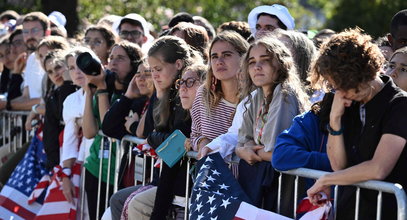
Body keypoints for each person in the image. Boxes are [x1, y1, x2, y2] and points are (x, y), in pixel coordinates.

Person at [307, 29, 407, 220]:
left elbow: (378, 168)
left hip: (388, 211)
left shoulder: (400, 105)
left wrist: (326, 180)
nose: (337, 91)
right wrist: (335, 120)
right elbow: (339, 166)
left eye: (339, 83)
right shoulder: (347, 101)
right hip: (350, 210)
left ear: (358, 75)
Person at [125, 52, 204, 220]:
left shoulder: (208, 121)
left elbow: (152, 137)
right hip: (178, 197)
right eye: (180, 82)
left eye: (190, 82)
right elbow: (150, 136)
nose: (182, 88)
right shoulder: (183, 122)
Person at [236, 36, 309, 211]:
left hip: (285, 186)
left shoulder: (284, 94)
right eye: (252, 62)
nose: (257, 67)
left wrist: (246, 151)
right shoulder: (258, 95)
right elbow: (243, 139)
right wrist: (241, 149)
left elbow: (274, 151)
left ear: (281, 64)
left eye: (265, 61)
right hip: (267, 180)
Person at [82, 41, 143, 219]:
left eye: (120, 58)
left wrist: (101, 89)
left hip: (119, 174)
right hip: (96, 168)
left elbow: (108, 125)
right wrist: (90, 91)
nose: (113, 63)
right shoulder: (105, 87)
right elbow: (89, 132)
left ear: (134, 63)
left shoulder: (136, 95)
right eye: (111, 58)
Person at [190, 31, 249, 159]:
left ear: (243, 58)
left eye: (226, 55)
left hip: (246, 177)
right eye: (214, 56)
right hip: (213, 176)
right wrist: (202, 142)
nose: (219, 61)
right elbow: (194, 135)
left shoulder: (255, 98)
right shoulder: (203, 94)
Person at [9, 12, 51, 111]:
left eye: (35, 30)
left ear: (47, 32)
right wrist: (8, 104)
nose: (30, 36)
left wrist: (8, 105)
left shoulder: (57, 57)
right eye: (26, 31)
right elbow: (26, 97)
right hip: (34, 124)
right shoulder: (31, 58)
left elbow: (51, 99)